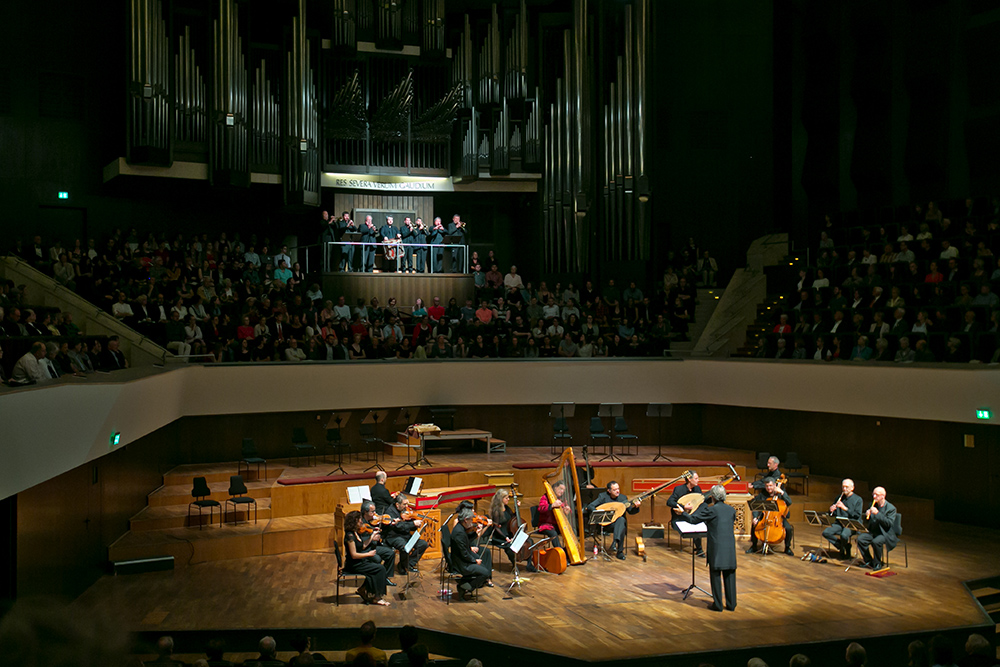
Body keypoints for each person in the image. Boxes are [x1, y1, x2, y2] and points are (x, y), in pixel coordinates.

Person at [678, 485, 737, 612]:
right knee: (730, 575)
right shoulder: (731, 510)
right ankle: (731, 605)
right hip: (730, 548)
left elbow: (693, 520)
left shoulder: (712, 510)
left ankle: (718, 604)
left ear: (713, 497)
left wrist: (682, 513)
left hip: (717, 547)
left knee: (715, 575)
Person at [342, 510, 391, 606]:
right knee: (380, 569)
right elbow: (354, 555)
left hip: (359, 562)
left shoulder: (355, 532)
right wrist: (368, 554)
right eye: (359, 520)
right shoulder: (350, 536)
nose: (361, 521)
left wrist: (371, 537)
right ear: (354, 521)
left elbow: (362, 546)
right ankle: (377, 597)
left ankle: (364, 589)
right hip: (353, 564)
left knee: (377, 567)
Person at [586, 481, 641, 560]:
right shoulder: (603, 496)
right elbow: (590, 506)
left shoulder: (623, 498)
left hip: (618, 525)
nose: (617, 491)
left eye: (618, 489)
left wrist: (636, 507)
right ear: (609, 491)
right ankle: (618, 548)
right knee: (621, 524)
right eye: (615, 490)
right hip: (606, 525)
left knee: (621, 520)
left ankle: (616, 546)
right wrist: (598, 512)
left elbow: (630, 511)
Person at [488, 488, 537, 573]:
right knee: (510, 547)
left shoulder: (507, 508)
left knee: (529, 541)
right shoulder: (496, 511)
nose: (508, 499)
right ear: (501, 499)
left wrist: (517, 508)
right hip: (500, 536)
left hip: (510, 534)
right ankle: (514, 565)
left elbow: (513, 518)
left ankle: (529, 564)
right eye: (506, 498)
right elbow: (496, 527)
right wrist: (505, 537)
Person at [449, 507, 494, 599]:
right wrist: (474, 561)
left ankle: (465, 584)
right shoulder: (459, 533)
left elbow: (466, 541)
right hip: (461, 563)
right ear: (465, 520)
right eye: (471, 520)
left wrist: (476, 532)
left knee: (483, 567)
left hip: (462, 558)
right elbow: (464, 553)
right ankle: (463, 586)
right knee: (485, 573)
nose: (472, 522)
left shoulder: (460, 528)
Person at [747, 479, 794, 556]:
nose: (769, 488)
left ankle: (787, 548)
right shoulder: (763, 495)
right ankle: (754, 546)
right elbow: (756, 507)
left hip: (779, 518)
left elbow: (789, 502)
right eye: (767, 486)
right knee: (755, 524)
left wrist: (782, 492)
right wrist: (755, 517)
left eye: (770, 486)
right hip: (765, 516)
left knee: (788, 528)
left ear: (775, 485)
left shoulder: (780, 493)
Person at [384, 494, 428, 574]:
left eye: (407, 504)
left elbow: (409, 524)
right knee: (405, 547)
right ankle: (403, 567)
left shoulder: (406, 511)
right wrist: (413, 524)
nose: (406, 506)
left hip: (405, 535)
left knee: (423, 544)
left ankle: (407, 564)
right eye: (404, 504)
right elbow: (398, 526)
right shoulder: (390, 512)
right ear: (397, 504)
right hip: (394, 536)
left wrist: (416, 524)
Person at [856, 486, 897, 570]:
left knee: (876, 542)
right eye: (873, 494)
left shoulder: (891, 508)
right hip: (873, 532)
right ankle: (868, 561)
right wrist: (867, 515)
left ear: (883, 496)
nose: (874, 497)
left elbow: (888, 523)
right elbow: (867, 522)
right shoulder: (872, 504)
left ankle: (877, 563)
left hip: (885, 533)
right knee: (860, 539)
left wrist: (877, 513)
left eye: (877, 495)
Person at [666, 472, 704, 556]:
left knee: (696, 523)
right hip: (679, 519)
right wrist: (682, 506)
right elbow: (669, 502)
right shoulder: (679, 489)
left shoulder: (697, 489)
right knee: (692, 525)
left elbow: (700, 501)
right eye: (696, 478)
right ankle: (699, 548)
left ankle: (699, 549)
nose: (698, 480)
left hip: (691, 517)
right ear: (689, 479)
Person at [822, 479, 863, 558]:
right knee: (826, 532)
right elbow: (834, 514)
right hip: (839, 523)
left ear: (852, 488)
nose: (844, 489)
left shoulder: (858, 499)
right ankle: (843, 546)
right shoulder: (839, 497)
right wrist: (831, 510)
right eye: (843, 487)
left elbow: (857, 515)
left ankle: (842, 549)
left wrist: (845, 508)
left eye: (847, 487)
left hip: (851, 524)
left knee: (844, 535)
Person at [361, 500, 397, 585]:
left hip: (373, 546)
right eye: (372, 511)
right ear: (365, 512)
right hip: (364, 549)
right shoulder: (360, 523)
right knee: (377, 559)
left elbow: (383, 529)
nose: (375, 513)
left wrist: (391, 523)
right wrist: (372, 537)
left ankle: (385, 578)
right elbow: (360, 540)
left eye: (375, 511)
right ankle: (373, 581)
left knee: (391, 553)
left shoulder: (372, 522)